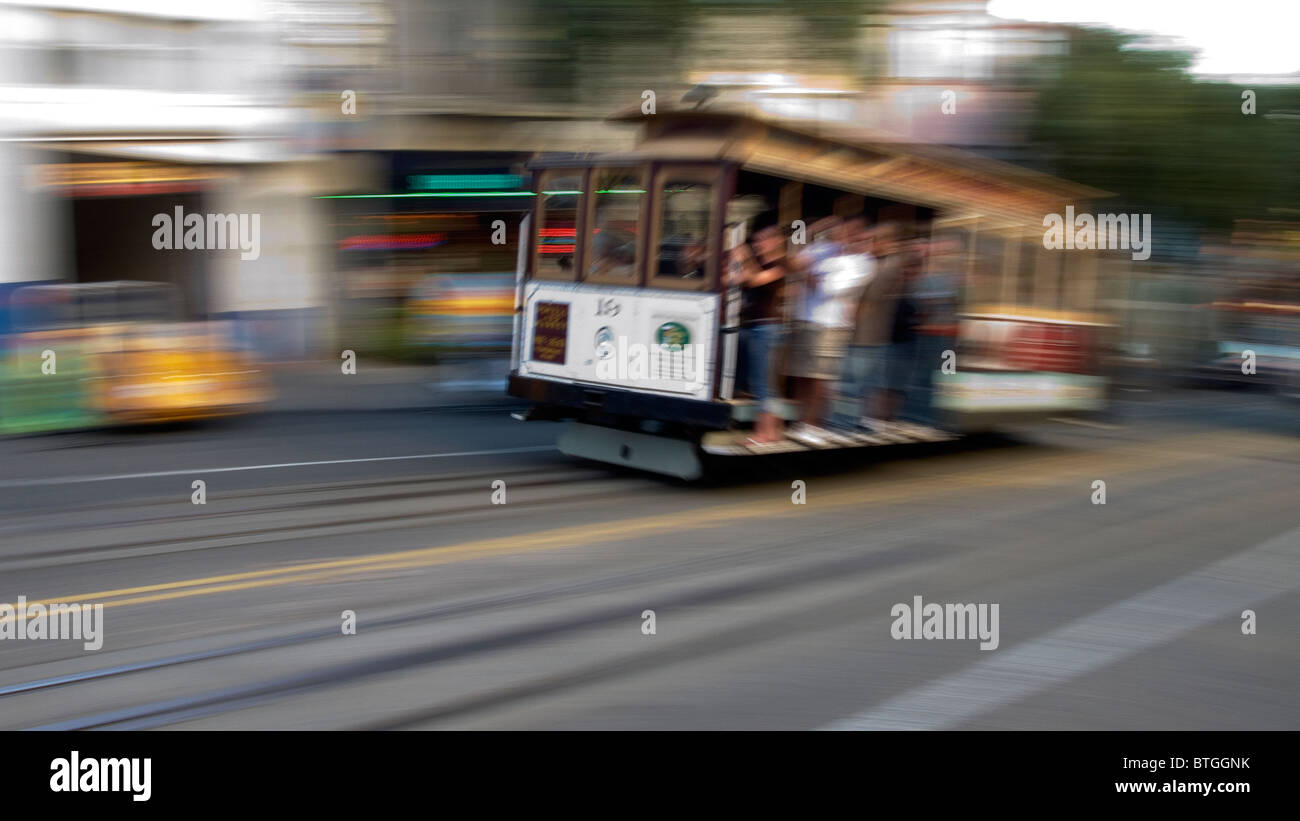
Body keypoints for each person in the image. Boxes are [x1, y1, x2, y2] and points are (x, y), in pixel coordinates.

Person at [786, 216, 873, 446]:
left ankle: (814, 425)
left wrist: (805, 274)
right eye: (842, 229)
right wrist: (813, 230)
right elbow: (794, 263)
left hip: (830, 325)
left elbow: (826, 289)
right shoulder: (823, 248)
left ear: (861, 235)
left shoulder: (862, 263)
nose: (845, 234)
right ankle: (801, 422)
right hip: (805, 320)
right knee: (802, 374)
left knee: (821, 378)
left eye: (853, 232)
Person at [730, 224, 790, 443]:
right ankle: (773, 431)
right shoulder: (761, 264)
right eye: (755, 241)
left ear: (776, 240)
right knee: (763, 382)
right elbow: (739, 280)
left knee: (762, 383)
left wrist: (745, 257)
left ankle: (763, 432)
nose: (758, 245)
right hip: (754, 327)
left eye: (762, 240)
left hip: (766, 328)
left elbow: (756, 279)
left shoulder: (781, 264)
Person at [846, 221, 904, 429]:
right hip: (870, 334)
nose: (868, 245)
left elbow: (868, 299)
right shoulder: (880, 263)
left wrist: (851, 316)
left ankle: (868, 420)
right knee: (867, 380)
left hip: (869, 334)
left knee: (863, 380)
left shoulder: (888, 265)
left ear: (885, 241)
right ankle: (868, 419)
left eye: (871, 240)